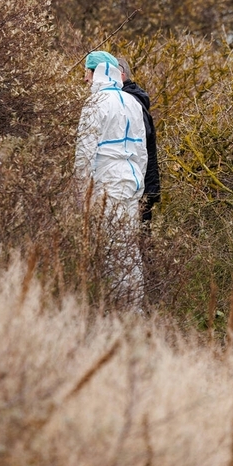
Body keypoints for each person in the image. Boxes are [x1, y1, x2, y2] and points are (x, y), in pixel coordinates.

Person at [74, 50, 148, 308]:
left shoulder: (96, 103)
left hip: (107, 182)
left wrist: (80, 194)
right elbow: (142, 152)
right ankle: (133, 307)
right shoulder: (132, 103)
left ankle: (118, 310)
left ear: (97, 72)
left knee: (112, 249)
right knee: (129, 248)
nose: (85, 79)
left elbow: (84, 152)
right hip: (131, 182)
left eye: (87, 72)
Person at [117, 57, 161, 224]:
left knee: (139, 242)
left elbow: (139, 148)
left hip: (139, 188)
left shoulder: (130, 103)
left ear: (121, 75)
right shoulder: (133, 100)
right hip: (141, 185)